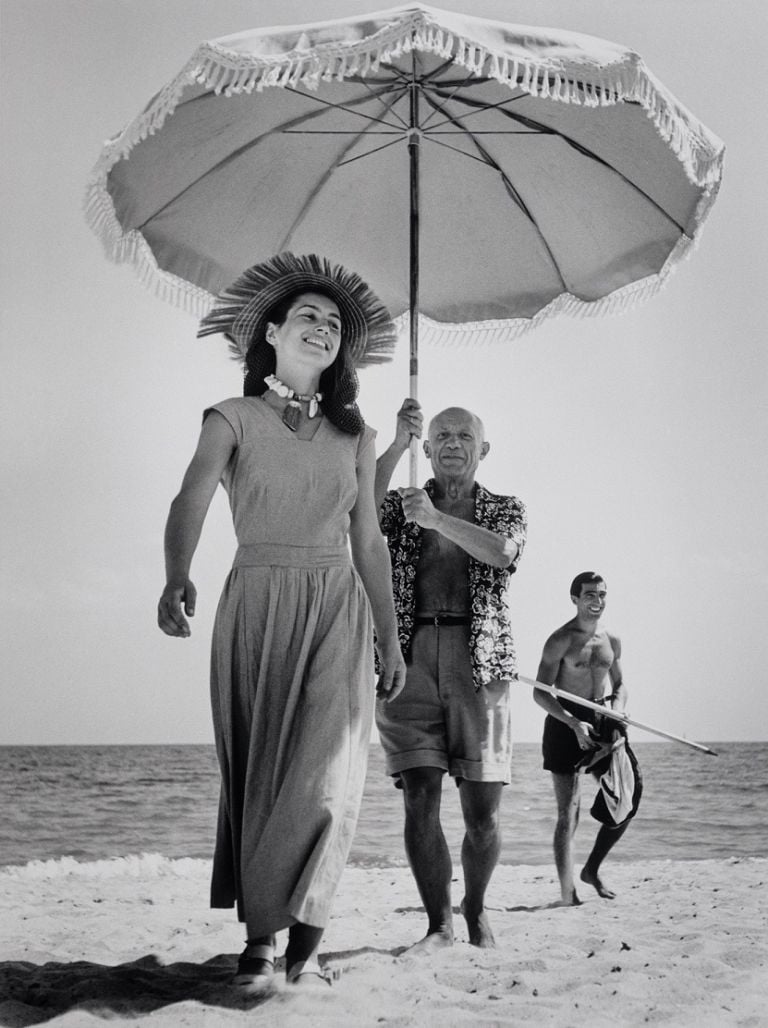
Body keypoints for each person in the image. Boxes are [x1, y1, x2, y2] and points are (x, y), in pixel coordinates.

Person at [157, 253, 406, 990]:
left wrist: (390, 636)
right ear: (271, 332)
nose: (323, 328)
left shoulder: (356, 436)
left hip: (336, 604)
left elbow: (368, 540)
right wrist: (177, 573)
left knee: (330, 778)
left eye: (334, 323)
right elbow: (191, 498)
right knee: (264, 774)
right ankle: (262, 937)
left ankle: (308, 938)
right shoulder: (230, 418)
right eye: (308, 316)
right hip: (258, 599)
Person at [374, 399, 527, 952]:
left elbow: (503, 555)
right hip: (408, 656)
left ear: (483, 449)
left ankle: (476, 907)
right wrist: (395, 445)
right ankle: (438, 923)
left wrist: (437, 519)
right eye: (441, 436)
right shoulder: (403, 503)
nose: (453, 443)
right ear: (428, 447)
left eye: (464, 436)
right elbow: (356, 511)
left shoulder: (505, 507)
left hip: (480, 660)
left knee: (482, 811)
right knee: (419, 795)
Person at [534, 571, 642, 906]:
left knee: (627, 799)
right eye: (590, 595)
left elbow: (620, 684)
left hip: (604, 718)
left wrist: (618, 708)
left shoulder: (612, 639)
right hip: (565, 722)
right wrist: (571, 722)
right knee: (569, 811)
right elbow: (540, 693)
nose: (597, 602)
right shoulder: (561, 639)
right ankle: (568, 893)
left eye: (602, 595)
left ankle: (592, 869)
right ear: (575, 599)